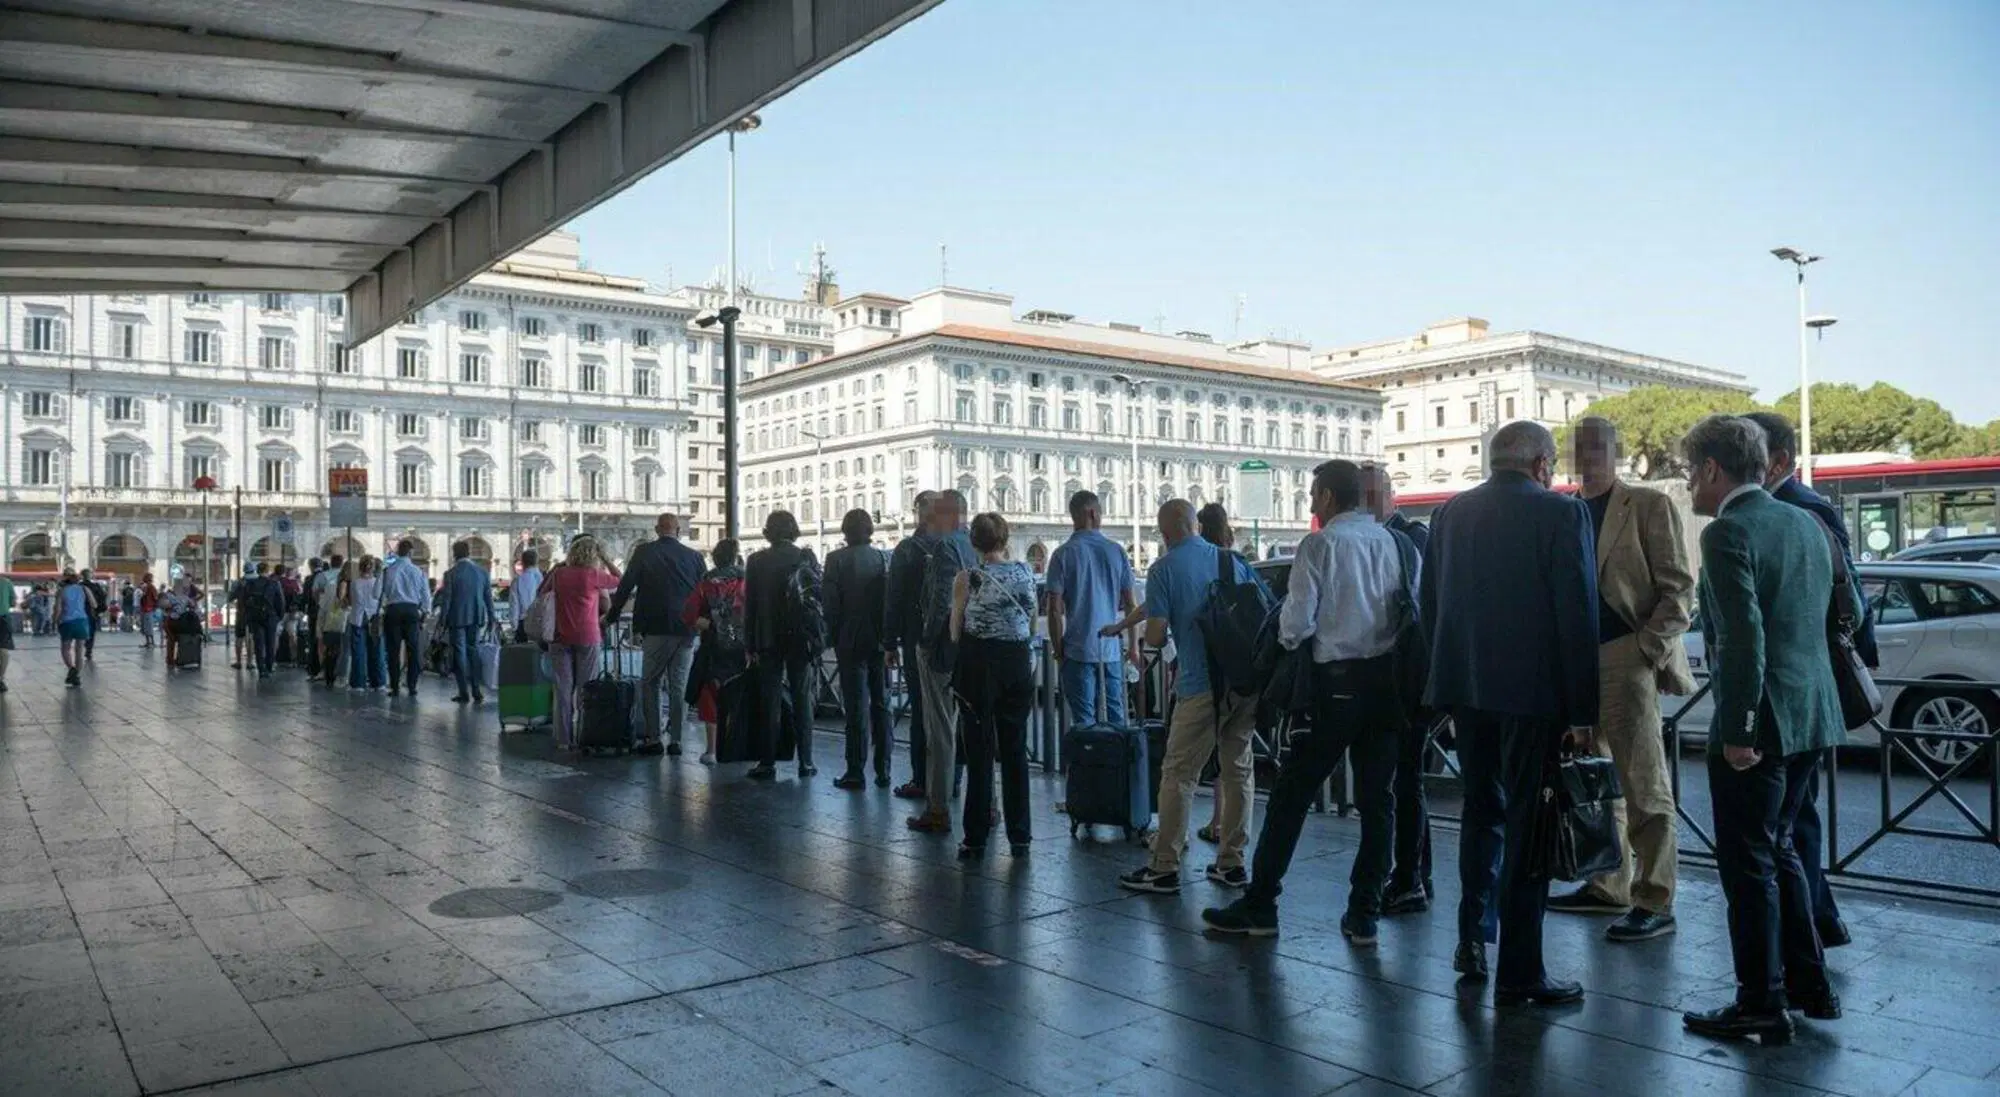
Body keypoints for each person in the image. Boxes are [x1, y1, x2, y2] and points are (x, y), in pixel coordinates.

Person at [1679, 415, 1845, 1043]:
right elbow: (1845, 608)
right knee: (1781, 851)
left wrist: (1740, 728)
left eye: (1692, 471)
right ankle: (1811, 986)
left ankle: (1760, 1000)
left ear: (1714, 471)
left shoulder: (1728, 534)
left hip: (1762, 719)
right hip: (1813, 713)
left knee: (1746, 863)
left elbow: (1742, 641)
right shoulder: (1805, 520)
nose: (1690, 483)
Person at [1422, 420, 1598, 1005]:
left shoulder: (1449, 514)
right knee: (1530, 825)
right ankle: (1522, 972)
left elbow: (1432, 605)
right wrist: (1582, 710)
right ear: (1543, 463)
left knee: (1481, 811)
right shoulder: (1560, 514)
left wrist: (1440, 688)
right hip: (1532, 697)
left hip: (1464, 690)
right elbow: (1577, 615)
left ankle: (1473, 937)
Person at [1203, 460, 1404, 940]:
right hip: (1385, 684)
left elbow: (1295, 625)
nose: (1310, 502)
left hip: (1333, 686)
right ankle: (1364, 913)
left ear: (1330, 498)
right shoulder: (1389, 541)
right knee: (1379, 803)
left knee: (1291, 796)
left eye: (1314, 493)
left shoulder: (1319, 545)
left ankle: (1261, 904)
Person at [1545, 418, 1697, 942]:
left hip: (1624, 658)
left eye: (1597, 447)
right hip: (1574, 664)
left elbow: (1679, 590)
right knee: (1596, 779)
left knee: (1643, 782)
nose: (1586, 455)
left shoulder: (1648, 506)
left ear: (1618, 452)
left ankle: (1655, 897)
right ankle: (1608, 884)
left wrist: (1645, 650)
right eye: (1579, 446)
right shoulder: (1563, 510)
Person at [1107, 499, 1267, 895]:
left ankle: (1164, 866)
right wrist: (1129, 620)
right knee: (1239, 770)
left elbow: (1158, 634)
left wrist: (1151, 631)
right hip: (1242, 683)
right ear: (1195, 525)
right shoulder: (1231, 560)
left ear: (1164, 533)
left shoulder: (1164, 568)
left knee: (1179, 774)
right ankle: (1232, 863)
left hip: (1199, 687)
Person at [1743, 411, 1857, 949]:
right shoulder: (1797, 507)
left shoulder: (1800, 509)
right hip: (1808, 689)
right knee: (1796, 816)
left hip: (1798, 692)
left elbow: (1846, 600)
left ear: (1779, 461)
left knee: (1789, 824)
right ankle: (1819, 921)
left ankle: (1808, 929)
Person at [1364, 465, 1435, 914]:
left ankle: (1408, 875)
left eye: (1374, 495)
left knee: (1403, 777)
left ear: (1391, 495)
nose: (1368, 504)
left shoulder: (1408, 538)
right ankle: (1414, 872)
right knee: (1403, 777)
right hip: (1406, 673)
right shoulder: (1402, 537)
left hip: (1406, 676)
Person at [951, 512, 1039, 858]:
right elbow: (1030, 624)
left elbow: (956, 629)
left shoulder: (968, 577)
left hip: (978, 668)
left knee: (980, 753)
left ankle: (975, 836)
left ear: (974, 542)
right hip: (1018, 664)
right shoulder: (1025, 572)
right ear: (1005, 539)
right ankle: (1021, 835)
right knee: (1015, 750)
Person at [604, 513, 706, 755]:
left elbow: (626, 586)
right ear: (678, 530)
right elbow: (704, 591)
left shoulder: (644, 552)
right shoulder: (694, 557)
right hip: (686, 629)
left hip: (656, 627)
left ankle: (653, 738)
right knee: (678, 685)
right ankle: (676, 741)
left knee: (650, 681)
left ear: (657, 529)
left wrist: (612, 615)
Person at [906, 491, 978, 831]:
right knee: (974, 729)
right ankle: (985, 807)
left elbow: (940, 601)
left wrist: (926, 639)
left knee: (940, 730)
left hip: (943, 650)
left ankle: (937, 809)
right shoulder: (972, 545)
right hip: (972, 647)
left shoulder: (946, 548)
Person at [1047, 490, 1139, 729]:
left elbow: (1055, 610)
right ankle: (1118, 765)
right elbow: (1130, 603)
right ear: (1092, 513)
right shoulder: (1116, 551)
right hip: (1110, 651)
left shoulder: (1062, 555)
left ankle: (1087, 765)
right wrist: (1134, 646)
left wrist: (1058, 651)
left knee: (1083, 722)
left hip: (1077, 650)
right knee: (1117, 717)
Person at [743, 510, 822, 780]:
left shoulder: (755, 561)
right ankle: (806, 761)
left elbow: (750, 606)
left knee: (770, 701)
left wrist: (749, 643)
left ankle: (767, 762)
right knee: (803, 699)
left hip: (767, 638)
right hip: (801, 637)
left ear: (768, 531)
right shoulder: (805, 557)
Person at [823, 509, 893, 789]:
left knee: (855, 707)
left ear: (845, 531)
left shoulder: (835, 559)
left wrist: (831, 636)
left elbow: (830, 604)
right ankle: (884, 769)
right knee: (882, 704)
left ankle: (855, 770)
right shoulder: (881, 558)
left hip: (849, 640)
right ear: (870, 530)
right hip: (878, 640)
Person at [884, 490, 940, 800]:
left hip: (915, 638)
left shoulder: (907, 549)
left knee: (921, 710)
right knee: (948, 712)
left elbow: (893, 599)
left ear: (919, 512)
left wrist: (890, 642)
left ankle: (921, 778)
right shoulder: (955, 545)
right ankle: (950, 778)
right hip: (949, 640)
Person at [545, 536, 621, 750]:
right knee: (586, 689)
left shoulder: (558, 574)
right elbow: (620, 580)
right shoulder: (593, 576)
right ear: (594, 556)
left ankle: (563, 740)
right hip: (587, 636)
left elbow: (542, 596)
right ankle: (584, 735)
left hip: (559, 637)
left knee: (562, 689)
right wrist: (606, 559)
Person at [683, 539, 748, 765]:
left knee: (710, 695)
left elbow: (689, 615)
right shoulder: (744, 581)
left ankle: (712, 750)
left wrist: (711, 625)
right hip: (741, 647)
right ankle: (740, 746)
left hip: (713, 647)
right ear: (735, 557)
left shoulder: (706, 584)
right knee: (740, 694)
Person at [438, 541, 498, 704]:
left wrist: (442, 620)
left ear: (454, 554)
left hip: (456, 618)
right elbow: (488, 597)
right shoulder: (482, 572)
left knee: (459, 654)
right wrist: (492, 617)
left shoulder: (450, 573)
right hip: (477, 617)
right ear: (469, 552)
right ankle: (477, 691)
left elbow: (447, 600)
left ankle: (463, 691)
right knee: (474, 651)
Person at [378, 541, 430, 695]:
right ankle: (412, 685)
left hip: (393, 610)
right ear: (410, 553)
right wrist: (424, 611)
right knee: (412, 649)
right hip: (412, 610)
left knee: (393, 651)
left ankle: (394, 686)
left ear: (397, 552)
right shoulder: (418, 571)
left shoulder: (388, 571)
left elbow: (379, 594)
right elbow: (425, 594)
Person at [345, 557, 389, 692]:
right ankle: (379, 682)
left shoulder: (354, 583)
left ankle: (358, 683)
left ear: (360, 567)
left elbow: (351, 601)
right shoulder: (377, 582)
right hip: (375, 617)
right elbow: (383, 601)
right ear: (373, 568)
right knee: (377, 650)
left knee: (358, 651)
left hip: (358, 617)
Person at [244, 564, 287, 678]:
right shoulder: (274, 584)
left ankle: (261, 668)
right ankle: (269, 666)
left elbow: (245, 601)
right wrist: (279, 616)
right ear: (268, 571)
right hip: (270, 616)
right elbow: (280, 602)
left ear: (257, 571)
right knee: (270, 642)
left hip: (256, 617)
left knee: (259, 643)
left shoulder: (251, 584)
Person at [318, 557, 351, 688]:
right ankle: (342, 676)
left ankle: (329, 674)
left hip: (331, 621)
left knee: (331, 649)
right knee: (345, 650)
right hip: (345, 620)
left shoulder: (331, 585)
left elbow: (323, 605)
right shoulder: (354, 585)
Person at [57, 568, 92, 687]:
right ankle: (76, 675)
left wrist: (54, 621)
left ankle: (71, 669)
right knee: (79, 650)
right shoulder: (84, 589)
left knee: (65, 648)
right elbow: (94, 604)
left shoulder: (62, 591)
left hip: (67, 622)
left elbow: (58, 609)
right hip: (82, 621)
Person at [511, 548, 544, 644]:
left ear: (523, 562)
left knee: (523, 655)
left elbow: (514, 605)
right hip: (540, 623)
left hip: (523, 623)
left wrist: (514, 627)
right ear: (537, 561)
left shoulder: (517, 580)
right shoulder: (545, 579)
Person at [80, 567, 107, 661]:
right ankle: (88, 649)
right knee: (91, 631)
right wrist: (100, 610)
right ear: (91, 575)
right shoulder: (96, 586)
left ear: (82, 576)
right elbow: (102, 598)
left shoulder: (78, 586)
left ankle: (82, 647)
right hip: (92, 611)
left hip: (79, 611)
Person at [138, 573, 161, 650]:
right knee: (145, 626)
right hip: (145, 609)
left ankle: (152, 642)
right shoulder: (146, 587)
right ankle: (148, 642)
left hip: (148, 609)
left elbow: (156, 598)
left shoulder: (151, 587)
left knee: (149, 626)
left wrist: (154, 607)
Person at [0, 571, 14, 693]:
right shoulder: (7, 583)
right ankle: (1, 679)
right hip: (3, 618)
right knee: (3, 649)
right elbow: (13, 602)